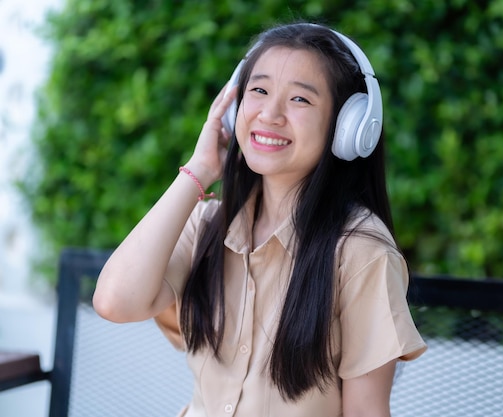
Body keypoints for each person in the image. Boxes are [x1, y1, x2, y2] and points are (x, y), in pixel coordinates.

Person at [93, 21, 426, 417]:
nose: (270, 113)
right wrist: (199, 170)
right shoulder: (206, 224)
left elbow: (366, 412)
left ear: (346, 127)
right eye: (259, 91)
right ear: (234, 109)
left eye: (300, 100)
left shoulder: (360, 253)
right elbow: (115, 302)